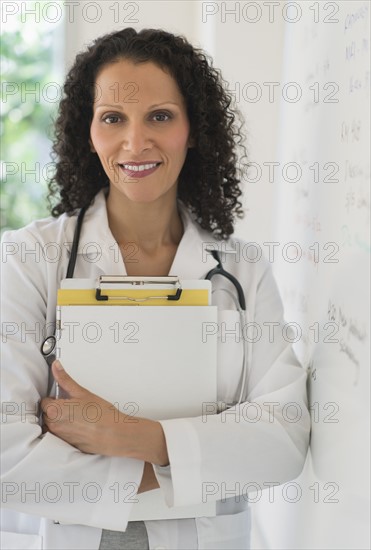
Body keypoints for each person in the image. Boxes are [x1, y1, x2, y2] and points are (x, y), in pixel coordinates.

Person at [0, 27, 310, 550]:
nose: (135, 142)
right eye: (113, 118)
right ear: (89, 131)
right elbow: (8, 453)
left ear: (194, 129)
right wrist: (192, 468)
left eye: (160, 117)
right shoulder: (28, 259)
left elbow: (283, 438)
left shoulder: (242, 270)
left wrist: (136, 437)